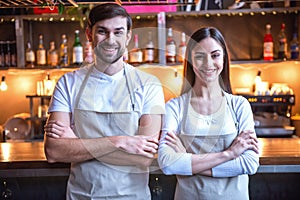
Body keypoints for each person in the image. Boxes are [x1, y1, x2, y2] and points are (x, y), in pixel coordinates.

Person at [44, 3, 165, 200]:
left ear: (127, 37)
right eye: (102, 31)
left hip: (132, 196)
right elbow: (54, 151)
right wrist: (119, 141)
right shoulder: (68, 83)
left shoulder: (148, 85)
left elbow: (144, 159)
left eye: (118, 32)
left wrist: (76, 144)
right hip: (81, 196)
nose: (111, 40)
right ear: (89, 35)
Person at [157, 27, 260, 200]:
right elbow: (168, 164)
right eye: (199, 56)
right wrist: (229, 154)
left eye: (215, 55)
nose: (208, 63)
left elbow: (249, 163)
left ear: (224, 58)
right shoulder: (175, 107)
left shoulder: (239, 105)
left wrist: (187, 160)